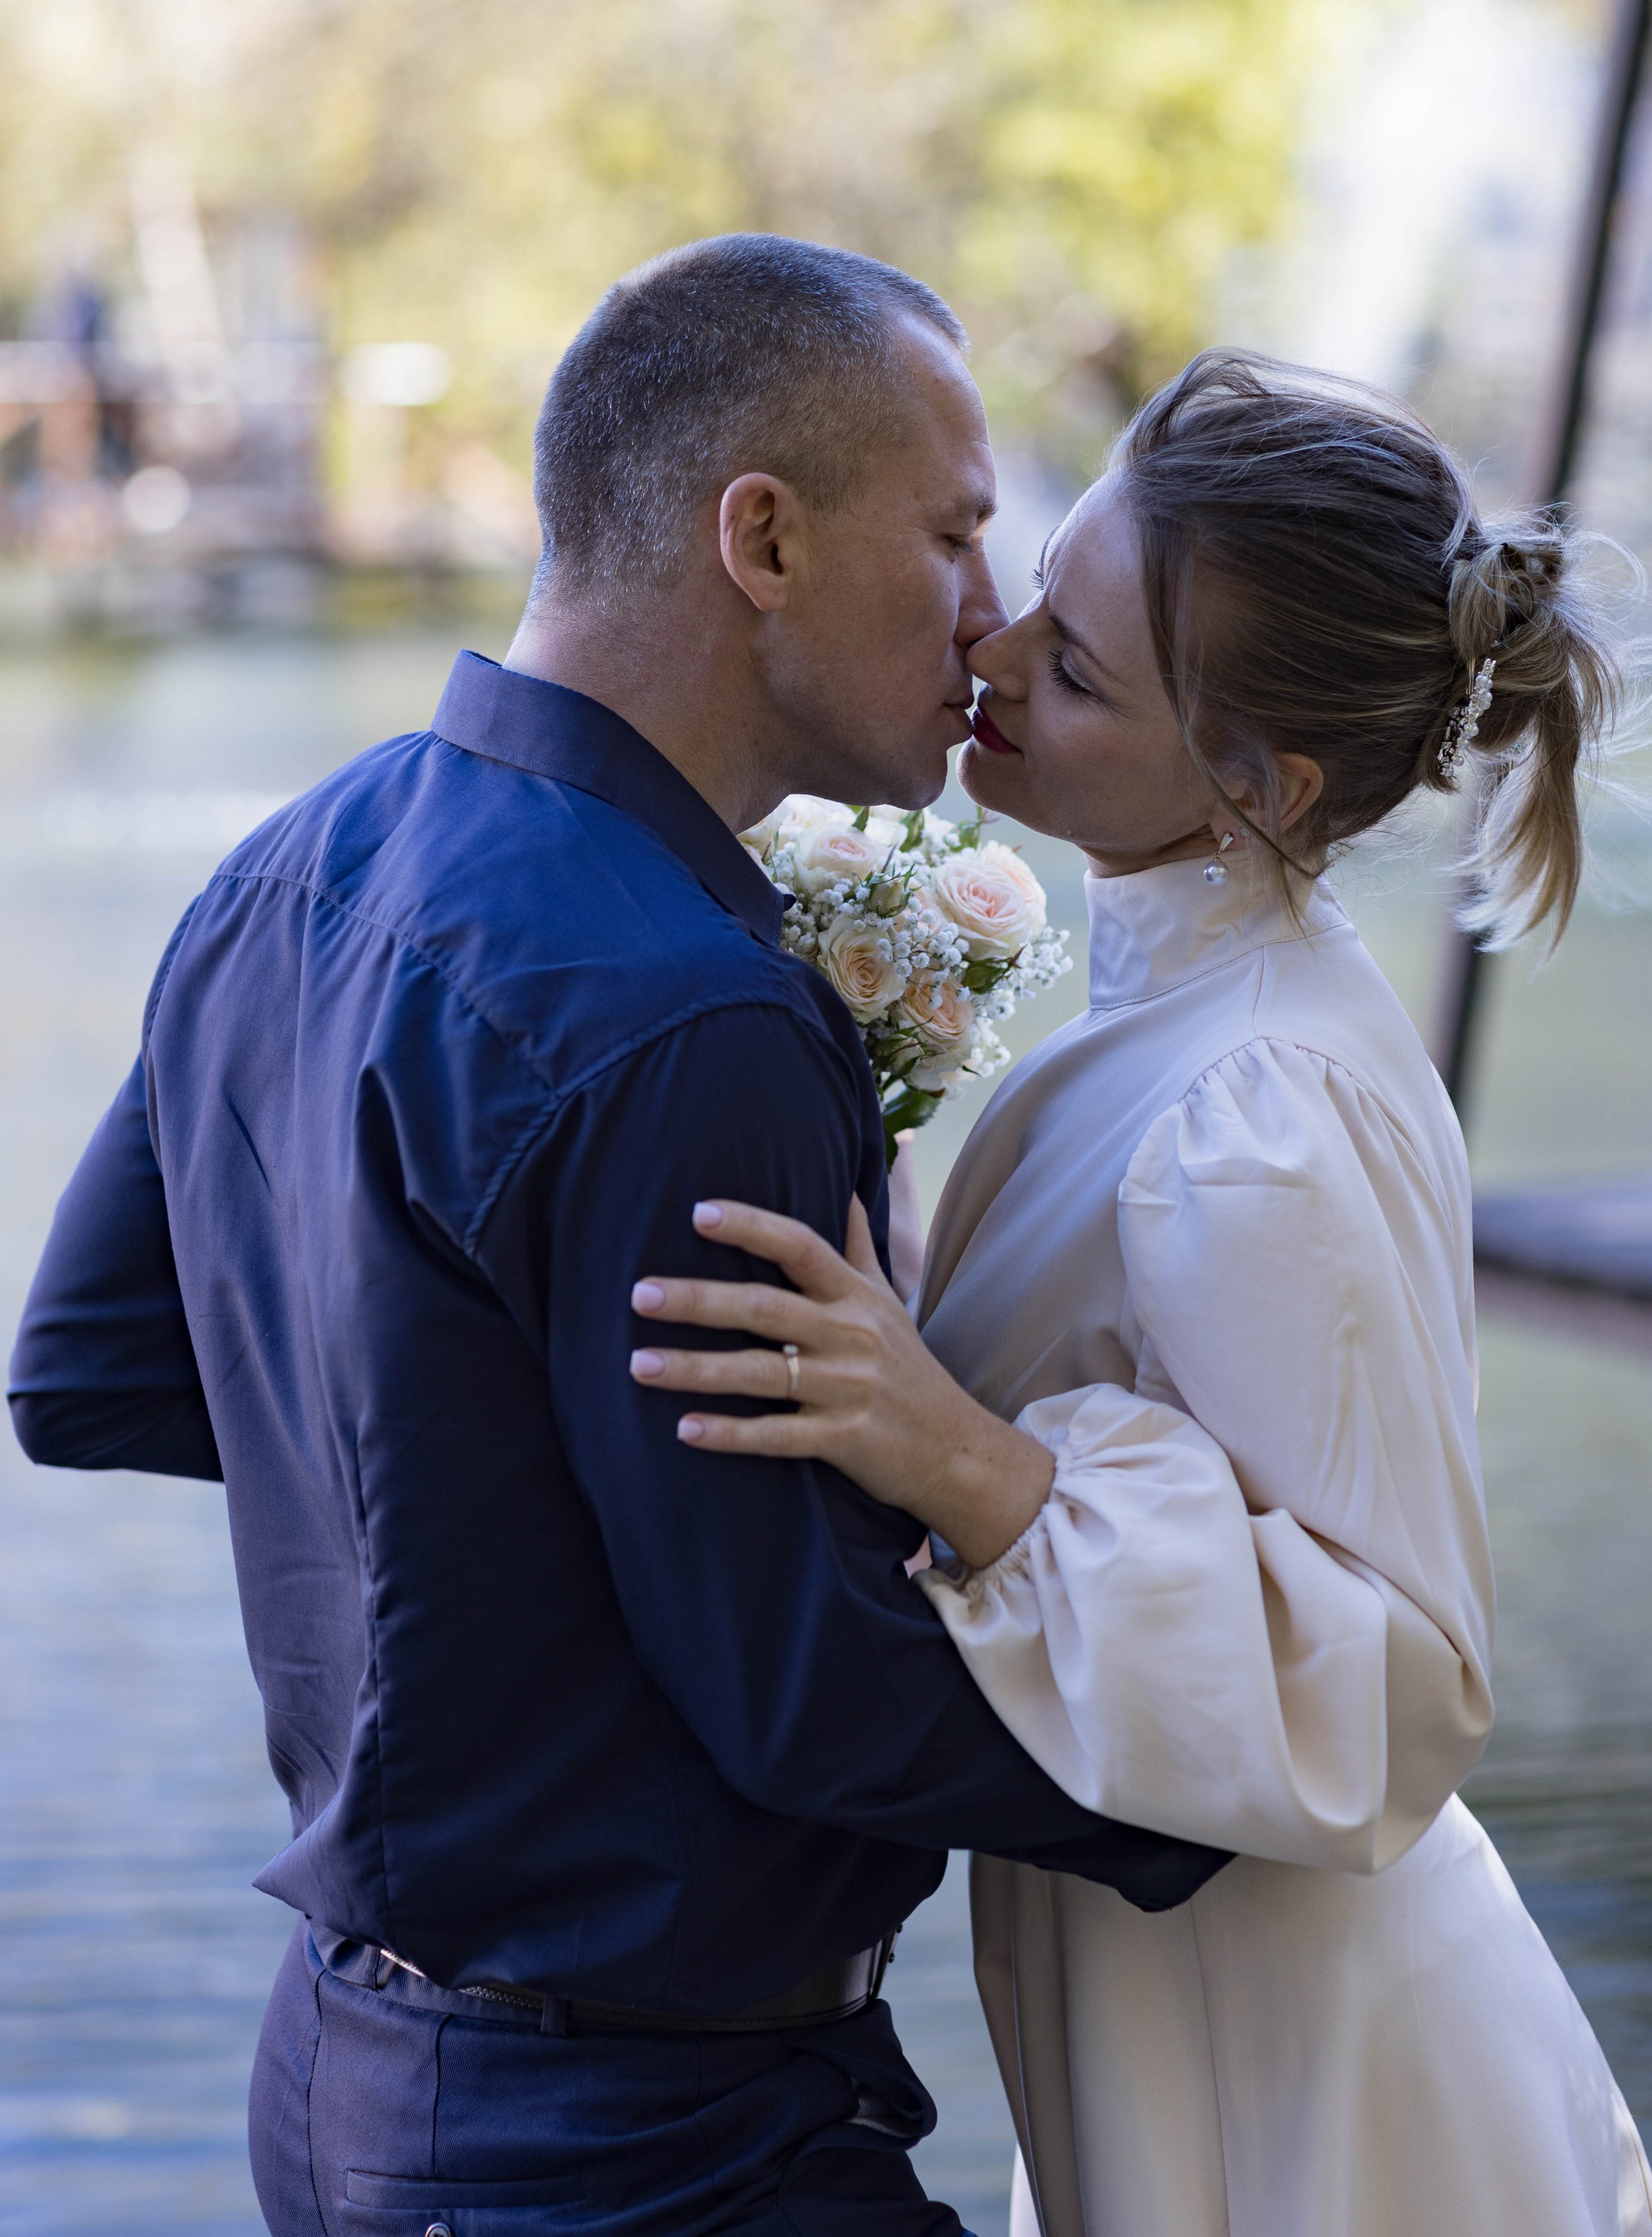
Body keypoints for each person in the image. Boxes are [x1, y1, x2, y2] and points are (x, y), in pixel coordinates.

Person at [5, 238, 1226, 2237]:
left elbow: (93, 1375)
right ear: (760, 536)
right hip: (651, 2161)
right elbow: (810, 1694)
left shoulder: (293, 860)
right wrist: (1244, 1787)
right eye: (952, 532)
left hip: (337, 2088)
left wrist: (485, 1463)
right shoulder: (696, 1016)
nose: (992, 614)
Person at [627, 350, 1652, 2236]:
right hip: (1193, 2006)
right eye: (1035, 590)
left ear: (1265, 780)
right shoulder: (1195, 1017)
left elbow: (1395, 1700)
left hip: (1317, 2091)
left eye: (1078, 667)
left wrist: (972, 1459)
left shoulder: (1265, 1110)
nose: (993, 658)